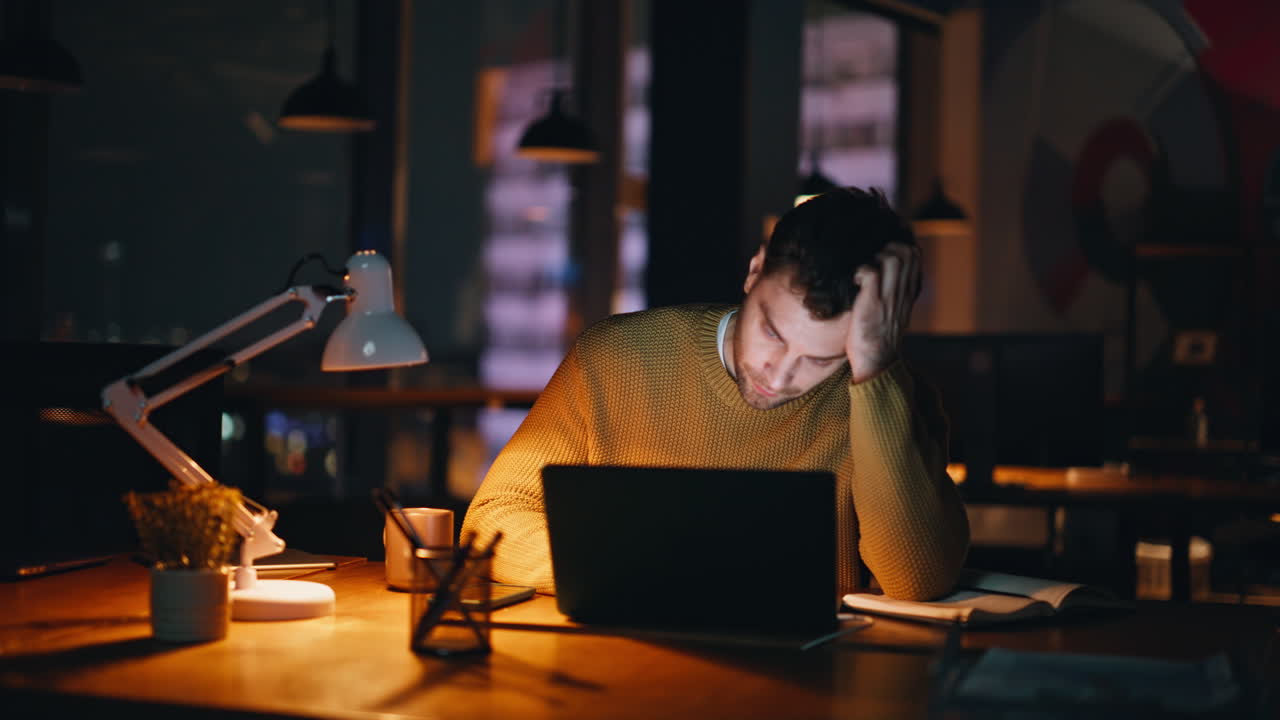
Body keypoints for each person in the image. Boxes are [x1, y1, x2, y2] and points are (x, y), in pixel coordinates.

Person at [462, 187, 969, 601]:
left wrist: (875, 372)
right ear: (754, 271)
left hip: (806, 681)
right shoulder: (615, 356)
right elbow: (490, 524)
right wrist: (652, 572)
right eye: (772, 331)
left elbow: (916, 581)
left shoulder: (893, 400)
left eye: (822, 359)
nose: (780, 373)